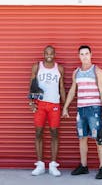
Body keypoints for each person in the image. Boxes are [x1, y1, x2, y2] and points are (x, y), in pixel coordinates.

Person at [62, 45, 102, 180]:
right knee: (82, 138)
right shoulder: (76, 72)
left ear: (91, 54)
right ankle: (84, 166)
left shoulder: (97, 71)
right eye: (82, 54)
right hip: (81, 108)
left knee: (98, 139)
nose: (84, 56)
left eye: (86, 54)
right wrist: (65, 107)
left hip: (95, 108)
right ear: (79, 56)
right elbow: (72, 91)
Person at [28, 45, 66, 176]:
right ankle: (40, 164)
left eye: (51, 53)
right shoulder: (37, 66)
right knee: (38, 132)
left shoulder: (59, 68)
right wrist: (31, 102)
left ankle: (53, 165)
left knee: (54, 133)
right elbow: (32, 85)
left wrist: (65, 106)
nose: (49, 55)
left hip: (54, 104)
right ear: (43, 54)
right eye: (46, 53)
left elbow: (61, 88)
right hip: (40, 104)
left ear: (54, 54)